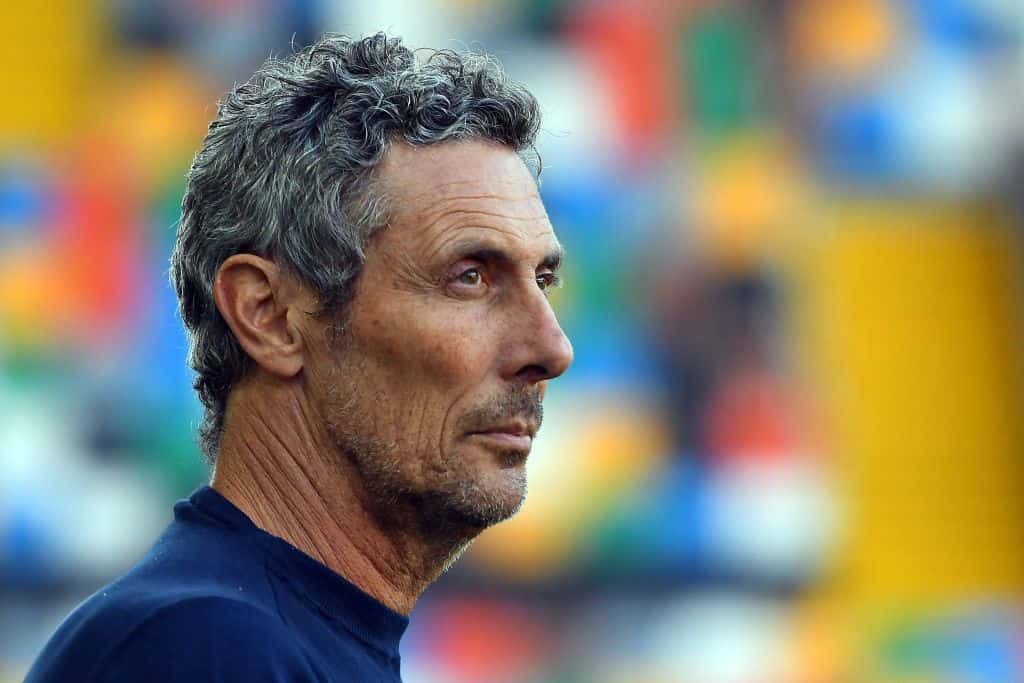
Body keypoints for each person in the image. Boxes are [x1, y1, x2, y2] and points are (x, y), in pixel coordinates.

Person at [27, 32, 572, 682]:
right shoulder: (200, 648)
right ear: (269, 315)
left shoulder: (257, 639)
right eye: (470, 277)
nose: (552, 349)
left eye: (543, 281)